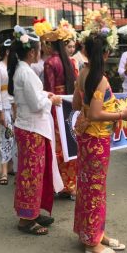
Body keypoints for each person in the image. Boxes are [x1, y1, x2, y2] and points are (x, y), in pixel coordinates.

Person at [72, 30, 127, 253]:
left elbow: (77, 105)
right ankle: (92, 243)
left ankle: (92, 232)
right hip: (96, 139)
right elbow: (96, 114)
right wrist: (121, 115)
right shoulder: (101, 79)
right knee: (95, 189)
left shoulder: (83, 73)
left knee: (88, 187)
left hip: (87, 138)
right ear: (106, 54)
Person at [10, 26, 64, 236]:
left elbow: (35, 96)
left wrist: (46, 95)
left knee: (36, 173)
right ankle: (26, 219)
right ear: (32, 51)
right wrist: (52, 99)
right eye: (39, 48)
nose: (41, 52)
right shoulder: (25, 72)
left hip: (30, 128)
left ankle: (31, 212)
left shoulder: (23, 70)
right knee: (31, 175)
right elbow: (36, 105)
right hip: (32, 129)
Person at [41, 24, 78, 199]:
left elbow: (49, 89)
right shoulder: (70, 61)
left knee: (58, 146)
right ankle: (72, 184)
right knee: (70, 144)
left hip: (56, 106)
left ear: (51, 45)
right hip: (69, 104)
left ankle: (60, 184)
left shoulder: (50, 62)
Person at [0, 39, 16, 185]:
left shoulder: (15, 67)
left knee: (17, 139)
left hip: (16, 106)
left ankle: (13, 166)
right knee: (6, 138)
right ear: (7, 52)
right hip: (5, 106)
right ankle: (4, 171)